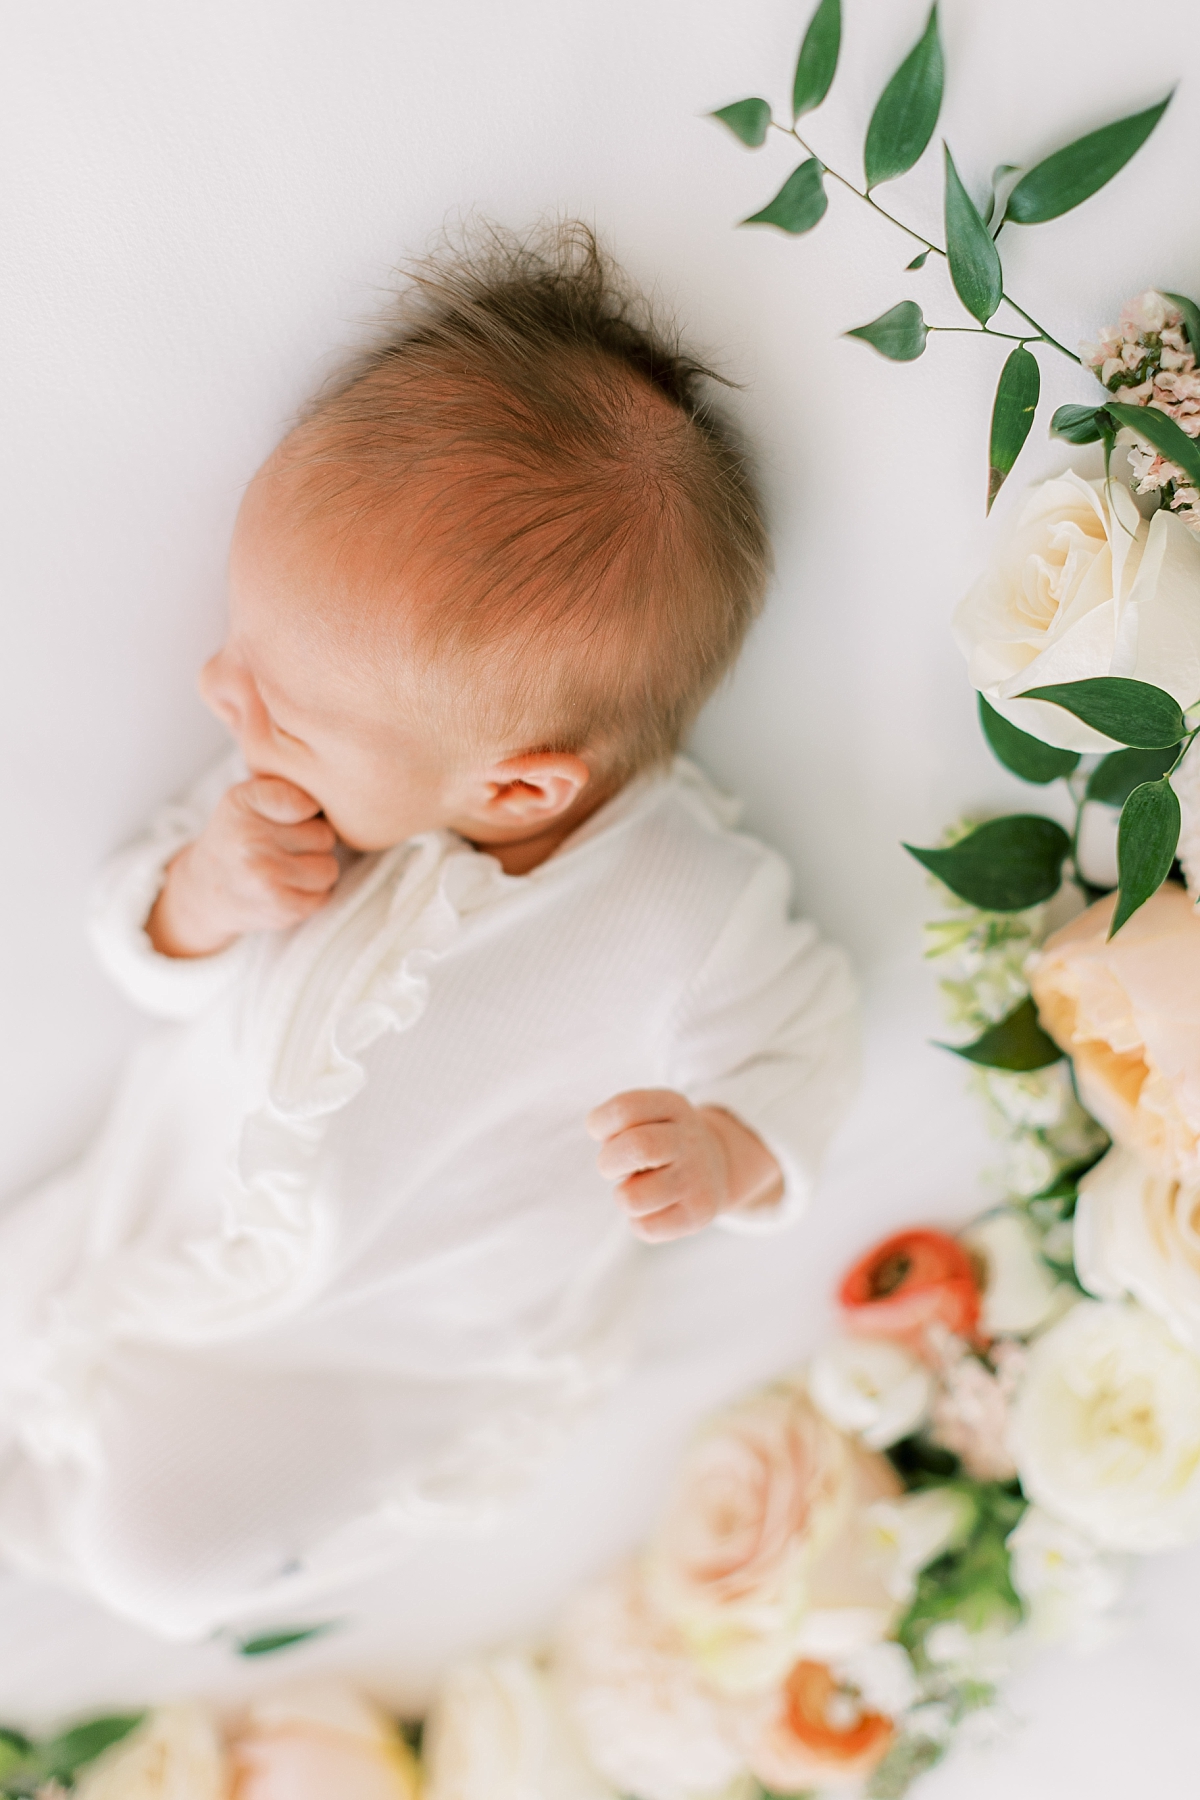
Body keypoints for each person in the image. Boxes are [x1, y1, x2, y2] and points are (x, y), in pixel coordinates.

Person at [0, 225, 857, 1640]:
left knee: (162, 1552)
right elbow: (138, 949)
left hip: (393, 1338)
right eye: (243, 645)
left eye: (278, 699)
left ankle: (85, 1541)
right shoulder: (300, 792)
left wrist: (729, 1150)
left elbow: (809, 1030)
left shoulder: (680, 902)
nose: (223, 690)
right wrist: (202, 891)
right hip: (157, 1213)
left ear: (517, 785)